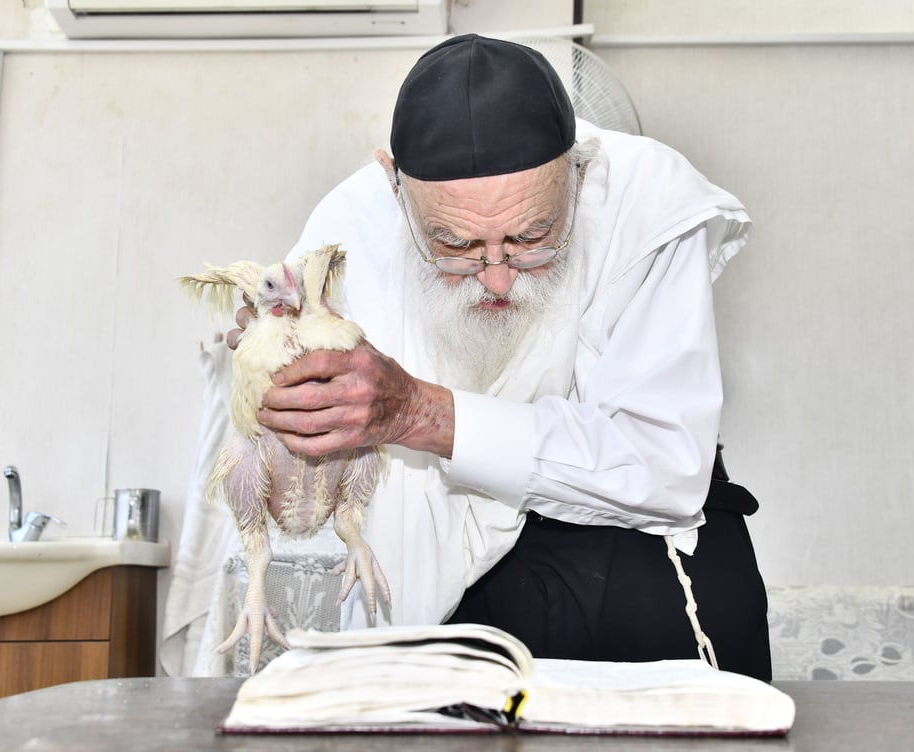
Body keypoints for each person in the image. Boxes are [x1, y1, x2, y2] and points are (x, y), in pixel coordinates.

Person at [232, 34, 771, 681]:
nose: (496, 278)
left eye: (532, 237)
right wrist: (279, 386)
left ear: (579, 169)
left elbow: (662, 465)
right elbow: (306, 488)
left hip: (644, 565)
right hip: (446, 586)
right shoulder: (349, 226)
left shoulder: (647, 203)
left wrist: (420, 414)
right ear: (393, 184)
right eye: (455, 245)